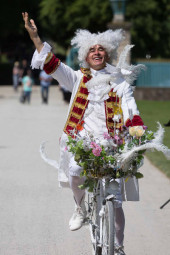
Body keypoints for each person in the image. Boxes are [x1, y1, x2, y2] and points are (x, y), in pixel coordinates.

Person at [22, 12, 145, 255]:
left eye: (101, 49)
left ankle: (118, 247)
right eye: (92, 50)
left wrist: (135, 123)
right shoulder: (77, 78)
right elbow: (51, 63)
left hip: (113, 144)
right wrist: (35, 37)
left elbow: (130, 105)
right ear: (86, 55)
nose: (97, 52)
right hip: (83, 142)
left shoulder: (119, 81)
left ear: (106, 53)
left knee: (116, 202)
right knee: (76, 172)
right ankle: (80, 208)